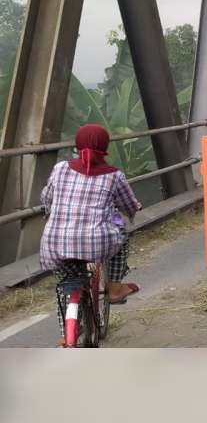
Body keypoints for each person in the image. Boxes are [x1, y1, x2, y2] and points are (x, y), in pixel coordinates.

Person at [39, 124, 142, 343]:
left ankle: (68, 334)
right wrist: (134, 209)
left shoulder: (60, 168)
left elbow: (46, 200)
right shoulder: (114, 176)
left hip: (56, 243)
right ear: (106, 148)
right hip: (96, 242)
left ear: (76, 146)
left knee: (66, 287)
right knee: (122, 235)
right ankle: (114, 287)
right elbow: (129, 206)